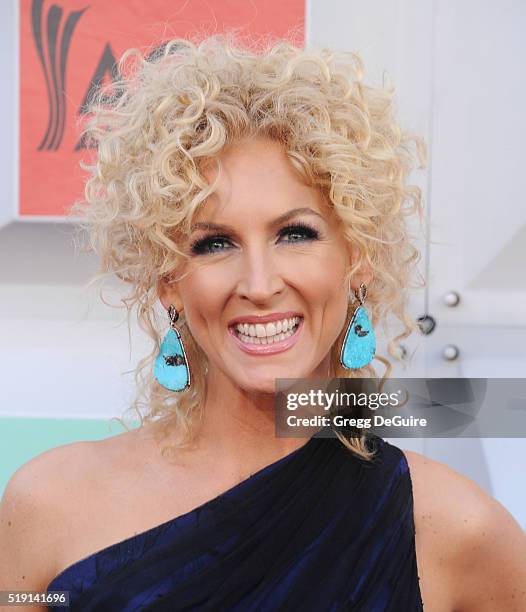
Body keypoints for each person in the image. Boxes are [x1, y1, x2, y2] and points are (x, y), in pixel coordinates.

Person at [1, 34, 525, 611]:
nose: (258, 282)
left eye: (295, 234)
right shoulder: (47, 506)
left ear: (358, 260)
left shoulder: (458, 532)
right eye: (215, 243)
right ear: (168, 284)